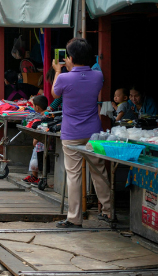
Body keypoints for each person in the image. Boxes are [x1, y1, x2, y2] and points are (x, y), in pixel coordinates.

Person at [52, 38, 112, 228]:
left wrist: (58, 71)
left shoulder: (64, 78)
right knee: (99, 171)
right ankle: (108, 211)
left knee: (74, 175)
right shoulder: (97, 76)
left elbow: (55, 94)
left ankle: (74, 218)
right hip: (93, 132)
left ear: (70, 57)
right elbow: (87, 79)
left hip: (71, 133)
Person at [24, 95, 48, 185]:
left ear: (37, 107)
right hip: (43, 144)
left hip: (40, 144)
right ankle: (35, 177)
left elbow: (39, 130)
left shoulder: (40, 118)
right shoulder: (46, 116)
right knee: (37, 160)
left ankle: (41, 178)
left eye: (33, 105)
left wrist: (35, 139)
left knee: (39, 161)